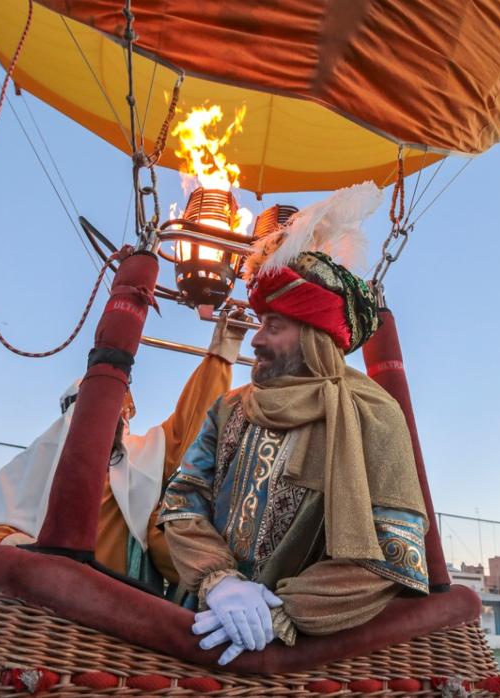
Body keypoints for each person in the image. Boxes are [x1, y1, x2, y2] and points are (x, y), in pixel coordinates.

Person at [158, 249, 428, 666]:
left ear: (313, 336)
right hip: (199, 626)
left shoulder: (375, 414)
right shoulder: (229, 407)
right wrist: (219, 579)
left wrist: (282, 611)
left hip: (303, 653)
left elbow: (395, 553)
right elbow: (181, 499)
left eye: (273, 326)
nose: (256, 339)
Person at [0, 317, 245, 589]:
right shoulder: (38, 464)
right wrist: (12, 545)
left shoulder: (144, 457)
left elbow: (191, 420)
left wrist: (221, 352)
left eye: (121, 407)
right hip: (37, 616)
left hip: (115, 615)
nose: (109, 416)